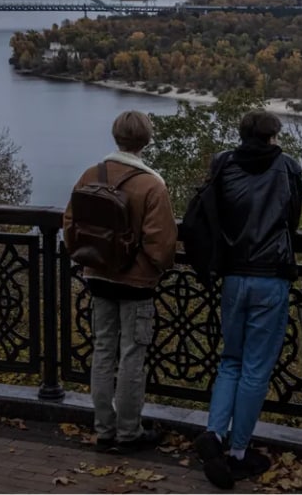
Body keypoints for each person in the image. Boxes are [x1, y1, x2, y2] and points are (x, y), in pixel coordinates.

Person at [193, 110, 302, 488]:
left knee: (231, 360)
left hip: (233, 277)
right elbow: (293, 220)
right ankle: (239, 452)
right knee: (256, 367)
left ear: (241, 134)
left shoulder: (223, 164)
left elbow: (214, 214)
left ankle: (214, 434)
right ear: (273, 136)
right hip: (270, 278)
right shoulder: (288, 168)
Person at [63, 110, 177, 453]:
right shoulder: (151, 184)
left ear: (117, 136)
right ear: (146, 139)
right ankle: (129, 433)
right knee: (131, 355)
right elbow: (161, 244)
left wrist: (89, 258)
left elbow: (70, 226)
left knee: (102, 351)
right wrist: (152, 268)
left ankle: (103, 430)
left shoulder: (90, 175)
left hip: (97, 277)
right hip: (137, 283)